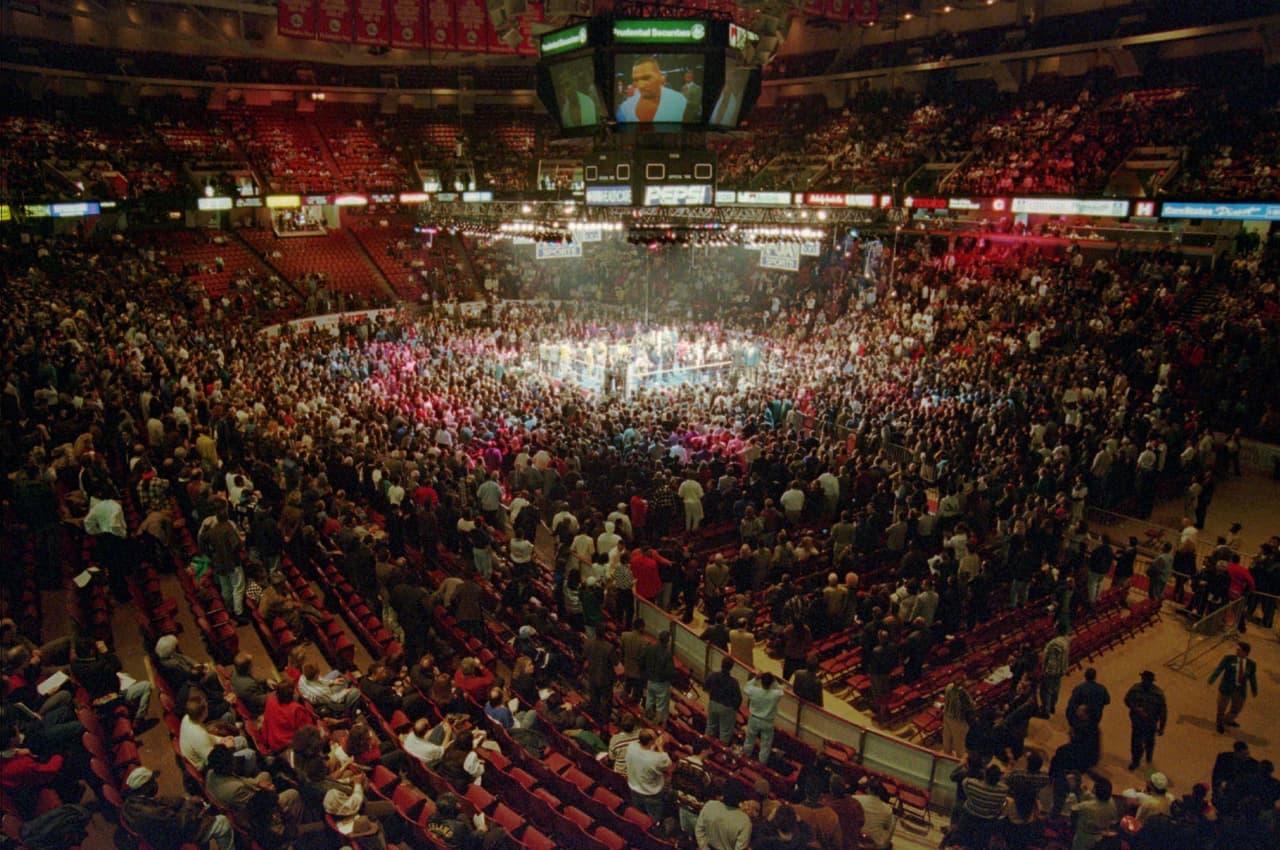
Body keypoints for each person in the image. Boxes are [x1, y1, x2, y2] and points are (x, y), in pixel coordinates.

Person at [121, 765, 236, 850]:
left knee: (190, 802)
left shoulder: (131, 801)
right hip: (174, 839)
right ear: (145, 787)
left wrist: (186, 800)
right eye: (153, 781)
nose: (156, 783)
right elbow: (180, 822)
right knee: (223, 823)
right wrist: (191, 805)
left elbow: (161, 801)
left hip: (166, 831)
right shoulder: (149, 812)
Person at [616, 56, 689, 123]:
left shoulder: (679, 101)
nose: (641, 85)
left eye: (646, 78)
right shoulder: (625, 109)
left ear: (660, 77)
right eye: (636, 80)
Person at [1208, 641, 1258, 733]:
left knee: (1236, 708)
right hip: (1226, 688)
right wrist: (1211, 679)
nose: (1237, 651)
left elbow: (1252, 678)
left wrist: (1254, 689)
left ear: (1245, 652)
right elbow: (1219, 669)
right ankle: (1219, 723)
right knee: (1221, 707)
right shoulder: (1228, 659)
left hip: (1240, 691)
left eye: (1239, 650)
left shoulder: (1251, 664)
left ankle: (1228, 720)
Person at [1123, 670, 1167, 770]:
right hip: (1137, 723)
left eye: (1147, 680)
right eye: (1143, 679)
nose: (1144, 681)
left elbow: (1163, 712)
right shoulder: (1136, 689)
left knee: (1149, 742)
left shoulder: (1158, 694)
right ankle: (1135, 761)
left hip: (1151, 724)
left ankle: (1148, 757)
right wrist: (1135, 709)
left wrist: (1162, 727)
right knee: (1136, 744)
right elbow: (1127, 700)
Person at [625, 729, 671, 821]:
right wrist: (660, 746)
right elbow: (667, 763)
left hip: (634, 788)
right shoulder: (657, 759)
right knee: (653, 819)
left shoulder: (631, 747)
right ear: (650, 742)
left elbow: (644, 752)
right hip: (651, 794)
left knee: (639, 815)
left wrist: (654, 745)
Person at [696, 781, 752, 850]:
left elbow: (699, 830)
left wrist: (704, 847)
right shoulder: (745, 821)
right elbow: (740, 848)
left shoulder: (710, 805)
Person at [741, 672, 782, 765]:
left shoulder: (754, 691)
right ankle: (761, 765)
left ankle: (744, 760)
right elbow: (781, 691)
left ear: (761, 681)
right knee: (765, 746)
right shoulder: (775, 694)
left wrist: (755, 678)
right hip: (767, 722)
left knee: (749, 740)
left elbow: (746, 687)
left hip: (754, 719)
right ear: (771, 683)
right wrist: (774, 681)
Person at [1070, 776, 1118, 850]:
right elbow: (1113, 819)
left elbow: (1073, 810)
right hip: (1100, 837)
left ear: (1095, 790)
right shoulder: (1112, 803)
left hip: (1083, 837)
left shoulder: (1086, 806)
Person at [704, 656, 742, 745]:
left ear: (721, 664)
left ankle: (705, 746)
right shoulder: (733, 682)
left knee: (710, 728)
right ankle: (720, 753)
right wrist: (734, 709)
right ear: (731, 668)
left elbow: (705, 687)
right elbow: (738, 699)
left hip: (713, 703)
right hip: (726, 708)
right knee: (724, 733)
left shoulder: (713, 675)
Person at [641, 630, 676, 724]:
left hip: (650, 680)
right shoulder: (667, 654)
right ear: (668, 641)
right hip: (661, 683)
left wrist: (646, 673)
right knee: (661, 707)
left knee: (649, 700)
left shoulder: (649, 648)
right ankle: (659, 726)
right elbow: (670, 671)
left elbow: (642, 660)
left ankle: (647, 720)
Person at [852, 778, 896, 850]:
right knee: (893, 820)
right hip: (874, 842)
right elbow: (887, 827)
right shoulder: (887, 809)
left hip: (854, 835)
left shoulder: (855, 799)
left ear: (868, 789)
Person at [1040, 624, 1070, 717]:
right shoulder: (1066, 641)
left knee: (1046, 690)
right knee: (1055, 688)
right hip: (1060, 670)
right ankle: (1052, 706)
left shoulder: (1054, 643)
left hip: (1051, 670)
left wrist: (1045, 670)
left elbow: (1048, 659)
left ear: (1057, 631)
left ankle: (1046, 711)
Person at [941, 680, 973, 759]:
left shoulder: (948, 687)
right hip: (958, 721)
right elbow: (970, 706)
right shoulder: (963, 694)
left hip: (947, 716)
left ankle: (946, 755)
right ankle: (959, 759)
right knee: (959, 743)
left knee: (947, 738)